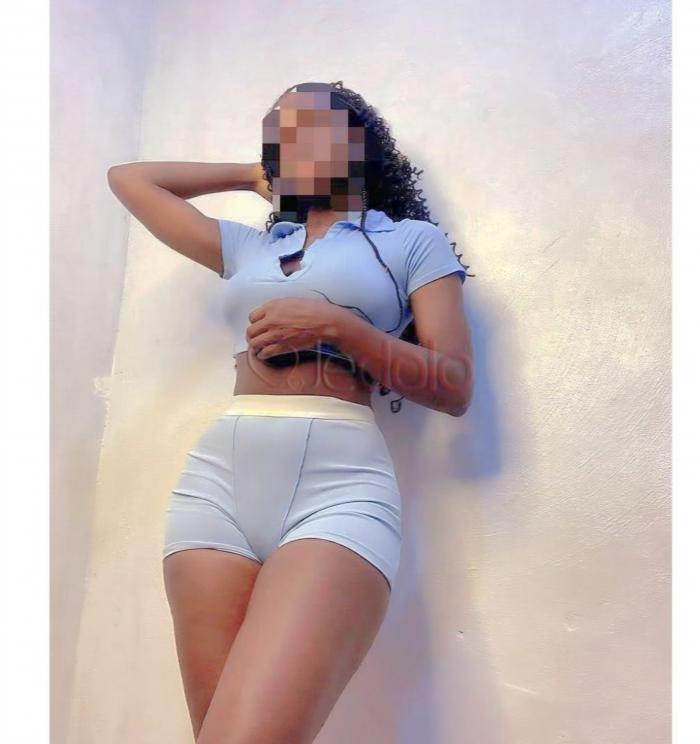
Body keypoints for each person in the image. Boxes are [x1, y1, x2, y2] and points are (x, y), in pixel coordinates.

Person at [107, 80, 474, 743]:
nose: (290, 137)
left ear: (357, 140)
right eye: (279, 131)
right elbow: (129, 179)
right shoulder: (251, 246)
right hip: (215, 487)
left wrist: (339, 327)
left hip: (338, 488)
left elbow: (453, 385)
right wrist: (254, 176)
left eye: (310, 124)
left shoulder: (410, 242)